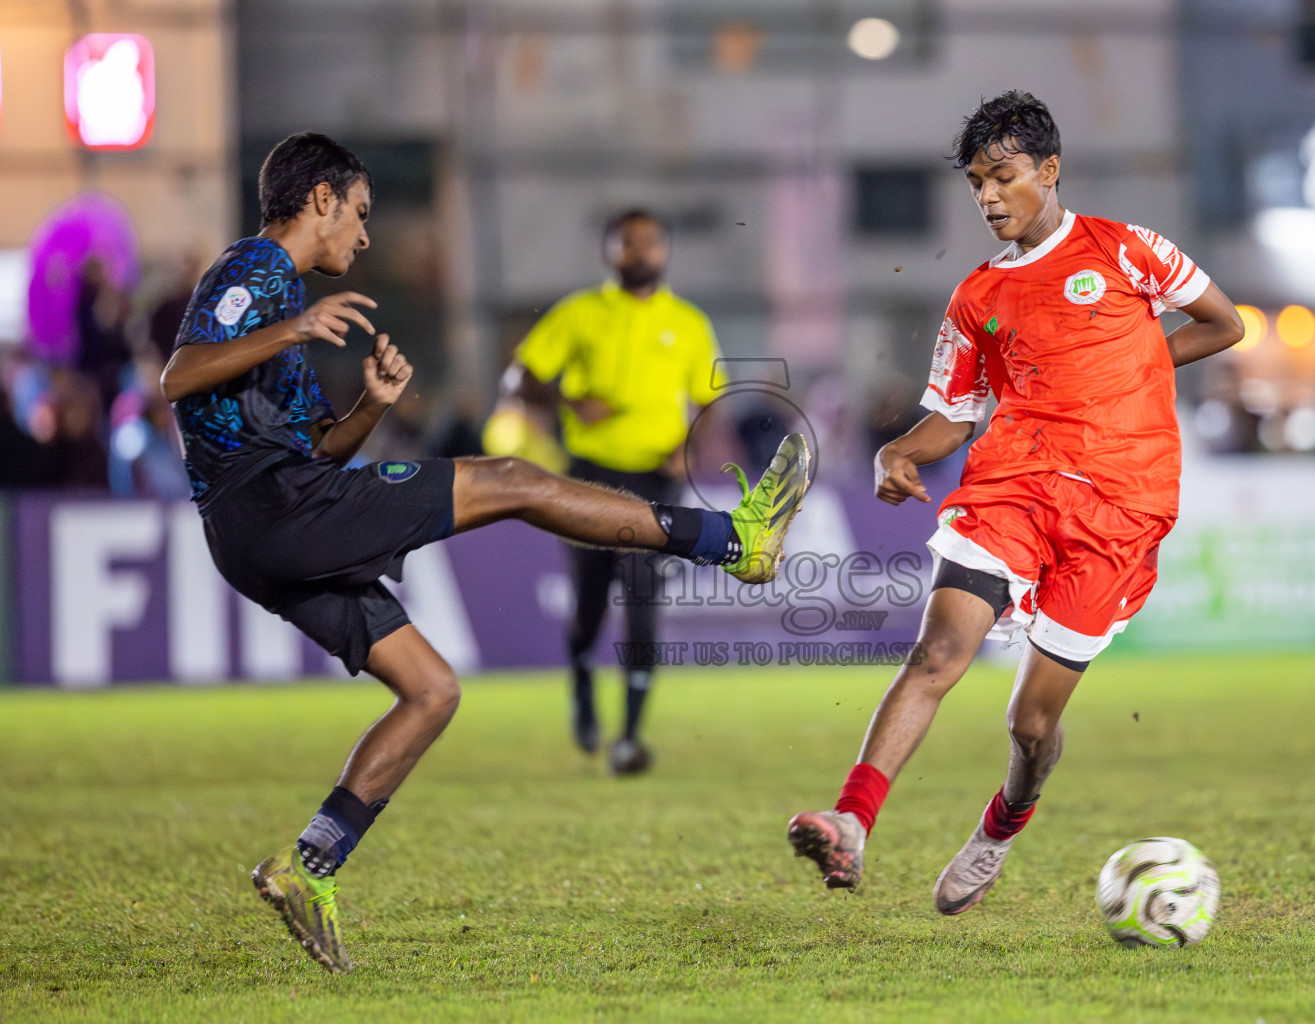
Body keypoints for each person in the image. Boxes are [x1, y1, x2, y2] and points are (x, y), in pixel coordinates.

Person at [160, 132, 810, 973]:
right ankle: (734, 540)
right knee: (513, 478)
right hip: (270, 507)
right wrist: (293, 328)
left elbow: (319, 449)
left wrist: (366, 406)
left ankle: (306, 866)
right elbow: (179, 373)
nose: (363, 237)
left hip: (262, 525)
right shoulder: (257, 268)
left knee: (432, 691)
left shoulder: (281, 301)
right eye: (358, 215)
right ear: (319, 199)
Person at [785, 92, 1243, 913]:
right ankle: (851, 821)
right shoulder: (975, 299)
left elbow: (1224, 323)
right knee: (937, 655)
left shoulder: (1125, 248)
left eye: (1001, 177)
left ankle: (1001, 826)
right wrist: (896, 450)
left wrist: (1138, 369)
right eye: (975, 185)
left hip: (1122, 505)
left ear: (1049, 169)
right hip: (1013, 484)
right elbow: (954, 415)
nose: (988, 198)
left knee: (1032, 726)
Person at [504, 209, 722, 774]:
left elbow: (710, 397)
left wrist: (690, 446)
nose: (640, 251)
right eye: (628, 243)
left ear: (665, 251)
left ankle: (628, 736)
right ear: (609, 252)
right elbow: (519, 379)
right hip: (589, 475)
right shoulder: (580, 313)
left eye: (650, 242)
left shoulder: (689, 321)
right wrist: (571, 403)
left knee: (645, 602)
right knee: (591, 606)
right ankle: (580, 677)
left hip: (657, 478)